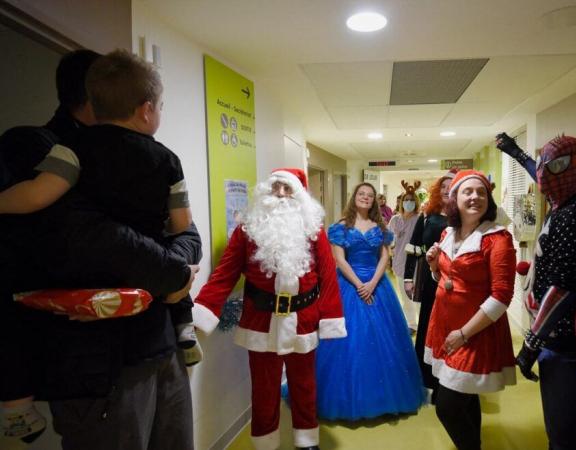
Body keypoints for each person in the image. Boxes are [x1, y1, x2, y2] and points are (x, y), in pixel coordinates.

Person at [0, 49, 199, 448]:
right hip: (98, 365)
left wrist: (177, 269)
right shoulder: (36, 146)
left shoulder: (74, 156)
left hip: (157, 346)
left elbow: (188, 237)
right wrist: (176, 275)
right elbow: (95, 235)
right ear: (146, 109)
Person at [194, 168, 346, 450]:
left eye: (287, 189)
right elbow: (225, 274)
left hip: (303, 320)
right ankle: (265, 443)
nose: (280, 194)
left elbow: (328, 277)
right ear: (265, 191)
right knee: (264, 389)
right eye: (275, 187)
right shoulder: (247, 230)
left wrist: (331, 318)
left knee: (304, 386)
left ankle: (306, 440)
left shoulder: (314, 231)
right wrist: (204, 309)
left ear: (299, 196)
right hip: (261, 322)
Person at [496, 132, 576, 450]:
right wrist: (517, 154)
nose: (543, 175)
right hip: (562, 339)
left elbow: (564, 285)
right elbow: (542, 177)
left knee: (564, 429)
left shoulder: (572, 214)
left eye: (555, 167)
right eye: (542, 166)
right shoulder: (568, 204)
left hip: (563, 341)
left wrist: (531, 345)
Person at [315, 182, 424, 420]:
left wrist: (373, 283)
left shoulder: (381, 226)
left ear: (375, 200)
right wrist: (359, 284)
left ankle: (383, 396)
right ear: (354, 197)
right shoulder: (340, 227)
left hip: (377, 284)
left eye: (370, 196)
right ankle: (347, 397)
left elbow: (385, 255)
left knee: (385, 340)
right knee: (349, 342)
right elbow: (339, 261)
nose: (365, 198)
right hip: (348, 284)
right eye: (361, 194)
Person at [424, 169, 517, 450]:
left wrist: (464, 334)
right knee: (467, 396)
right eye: (468, 191)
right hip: (444, 326)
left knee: (447, 407)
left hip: (474, 333)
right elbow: (447, 280)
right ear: (455, 199)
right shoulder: (448, 232)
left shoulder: (497, 239)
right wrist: (433, 267)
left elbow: (501, 296)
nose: (475, 196)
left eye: (481, 192)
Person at [403, 169, 456, 399]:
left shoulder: (463, 215)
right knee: (427, 325)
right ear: (437, 191)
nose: (446, 191)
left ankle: (449, 380)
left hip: (455, 280)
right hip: (429, 278)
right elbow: (413, 247)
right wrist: (407, 278)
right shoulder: (427, 215)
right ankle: (428, 379)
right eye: (443, 187)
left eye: (451, 187)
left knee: (450, 329)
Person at [387, 180, 422, 333]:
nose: (409, 203)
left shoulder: (420, 219)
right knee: (406, 296)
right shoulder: (395, 220)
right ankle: (411, 324)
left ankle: (424, 326)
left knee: (419, 297)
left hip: (417, 264)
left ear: (416, 202)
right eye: (406, 200)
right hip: (400, 263)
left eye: (412, 200)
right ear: (401, 202)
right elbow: (389, 240)